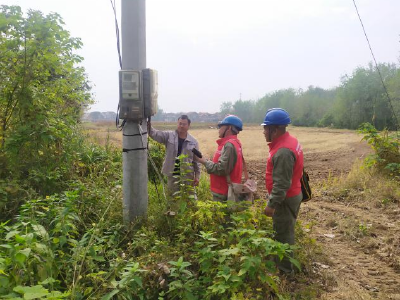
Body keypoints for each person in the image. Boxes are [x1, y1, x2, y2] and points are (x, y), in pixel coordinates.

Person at [262, 108, 304, 274]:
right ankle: (282, 265)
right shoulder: (289, 142)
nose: (263, 131)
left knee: (283, 236)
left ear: (276, 129)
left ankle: (285, 272)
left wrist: (271, 204)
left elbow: (281, 184)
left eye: (266, 128)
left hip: (285, 199)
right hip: (290, 195)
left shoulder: (283, 151)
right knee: (284, 231)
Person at [148, 115, 201, 196]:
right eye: (180, 123)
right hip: (172, 174)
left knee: (190, 199)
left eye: (184, 124)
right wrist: (147, 124)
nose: (181, 126)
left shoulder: (193, 142)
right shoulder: (169, 136)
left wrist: (197, 176)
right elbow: (155, 134)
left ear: (189, 126)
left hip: (187, 175)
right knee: (173, 198)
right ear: (177, 124)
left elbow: (196, 161)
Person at [196, 115, 244, 202]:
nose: (219, 129)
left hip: (223, 193)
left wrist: (205, 162)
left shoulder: (229, 145)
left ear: (228, 128)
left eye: (221, 126)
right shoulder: (235, 143)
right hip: (225, 191)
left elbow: (222, 169)